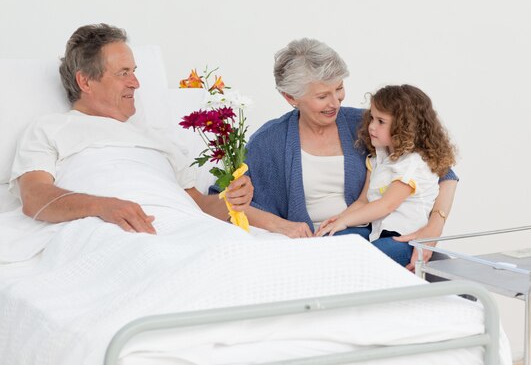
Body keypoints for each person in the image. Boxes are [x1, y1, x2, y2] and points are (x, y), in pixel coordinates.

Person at [237, 38, 458, 271]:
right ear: (291, 98)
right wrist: (280, 225)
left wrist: (434, 227)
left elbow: (444, 173)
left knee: (452, 280)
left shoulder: (370, 125)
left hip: (375, 233)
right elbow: (222, 203)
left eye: (339, 88)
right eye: (322, 96)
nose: (335, 102)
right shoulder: (269, 141)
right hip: (325, 241)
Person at [11, 23, 253, 234]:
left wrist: (231, 201)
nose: (135, 83)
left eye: (134, 72)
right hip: (104, 228)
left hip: (183, 226)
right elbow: (34, 198)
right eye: (123, 73)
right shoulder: (50, 129)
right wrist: (103, 206)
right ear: (85, 81)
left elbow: (199, 205)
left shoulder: (158, 140)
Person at [315, 84, 456, 268]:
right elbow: (363, 201)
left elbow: (386, 205)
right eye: (372, 118)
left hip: (405, 239)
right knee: (331, 241)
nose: (372, 126)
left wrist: (345, 221)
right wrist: (338, 221)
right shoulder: (378, 158)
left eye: (381, 121)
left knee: (360, 262)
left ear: (404, 127)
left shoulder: (412, 163)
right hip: (378, 231)